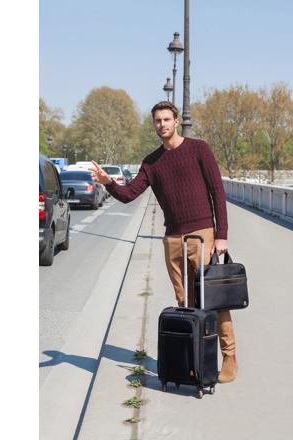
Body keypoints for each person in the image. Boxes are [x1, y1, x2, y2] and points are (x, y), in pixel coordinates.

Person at [89, 101, 237, 383]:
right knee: (184, 302)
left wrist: (222, 234)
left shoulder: (199, 149)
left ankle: (229, 356)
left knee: (212, 299)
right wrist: (108, 182)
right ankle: (196, 359)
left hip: (202, 233)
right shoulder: (151, 162)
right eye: (157, 121)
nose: (162, 125)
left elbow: (217, 192)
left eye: (166, 119)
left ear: (176, 121)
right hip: (172, 238)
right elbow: (129, 194)